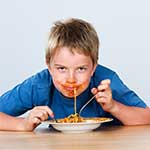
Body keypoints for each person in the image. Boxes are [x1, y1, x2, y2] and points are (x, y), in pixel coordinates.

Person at [0, 18, 150, 131]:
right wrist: (22, 124)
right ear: (49, 66)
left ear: (93, 68)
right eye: (61, 69)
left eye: (81, 69)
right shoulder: (39, 85)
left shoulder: (105, 81)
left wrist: (113, 107)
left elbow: (146, 117)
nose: (71, 79)